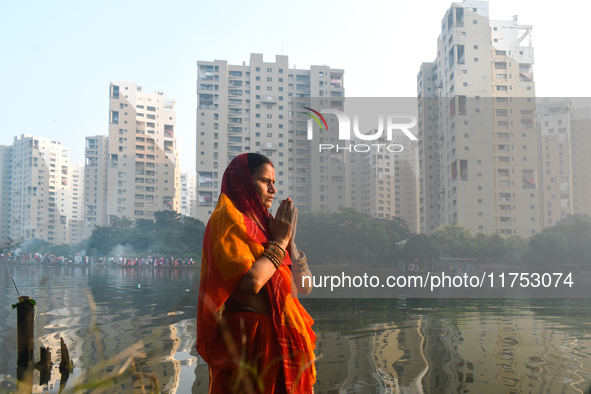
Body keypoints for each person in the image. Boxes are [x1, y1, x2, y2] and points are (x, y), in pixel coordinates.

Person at [197, 153, 315, 393]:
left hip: (284, 339)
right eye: (265, 181)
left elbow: (305, 286)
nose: (273, 189)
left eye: (273, 182)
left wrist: (290, 242)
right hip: (250, 342)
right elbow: (251, 282)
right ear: (244, 182)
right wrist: (280, 243)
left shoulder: (268, 226)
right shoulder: (226, 220)